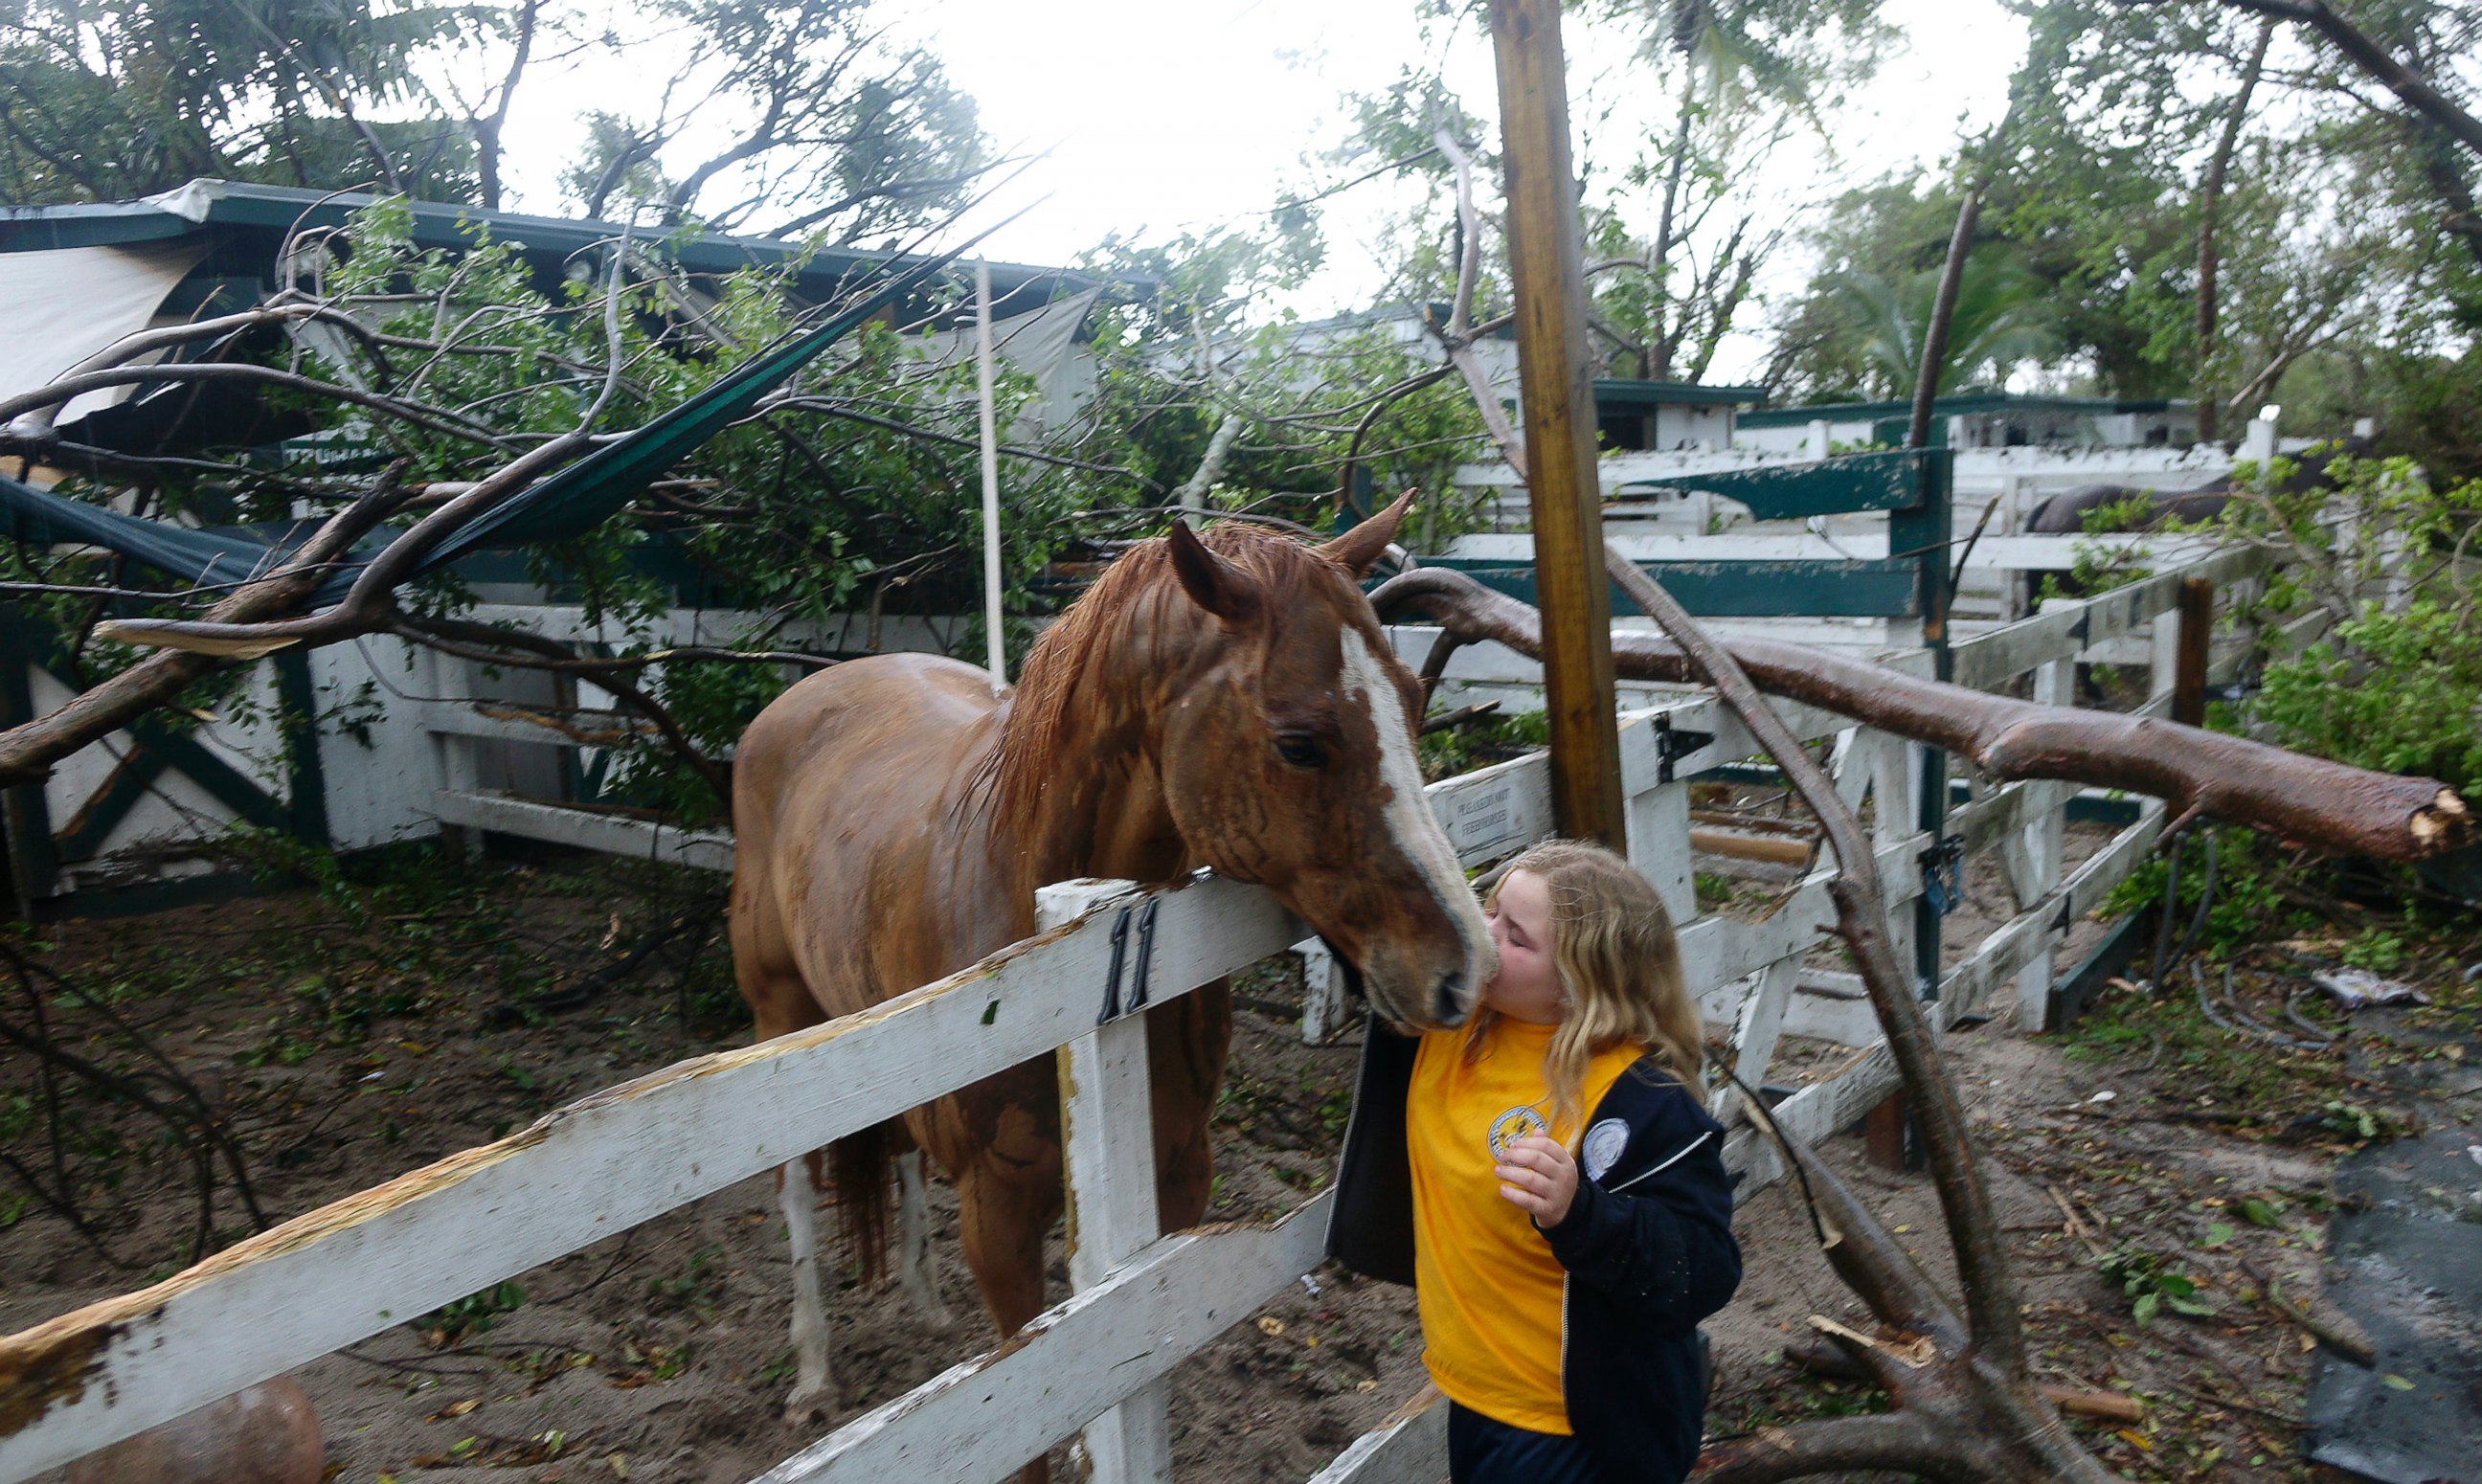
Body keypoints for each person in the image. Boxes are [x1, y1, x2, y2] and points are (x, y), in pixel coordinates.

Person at [1329, 839, 1740, 1484]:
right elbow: (1359, 910)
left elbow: (1704, 1271)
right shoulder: (1448, 1024)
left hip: (1579, 1429)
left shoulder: (1642, 1101)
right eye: (1487, 911)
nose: (1483, 937)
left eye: (1514, 936)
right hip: (1475, 1394)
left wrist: (1582, 1213)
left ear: (1582, 983)